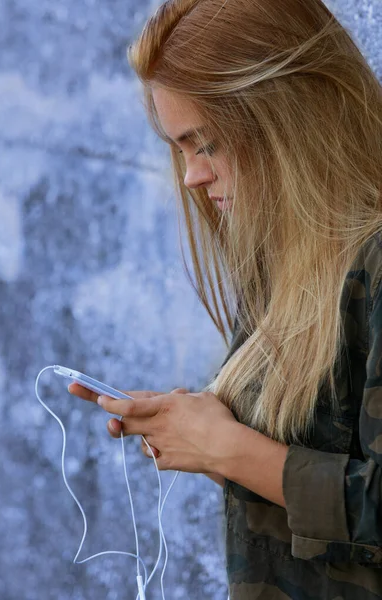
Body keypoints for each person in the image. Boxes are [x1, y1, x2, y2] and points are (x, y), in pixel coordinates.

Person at [69, 0, 382, 598]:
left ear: (289, 116)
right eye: (179, 149)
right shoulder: (289, 256)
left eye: (206, 144)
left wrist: (227, 449)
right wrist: (197, 429)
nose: (191, 177)